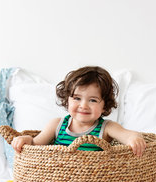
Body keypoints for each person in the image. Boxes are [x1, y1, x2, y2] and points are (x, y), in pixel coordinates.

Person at [11, 66, 147, 157]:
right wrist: (26, 139)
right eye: (77, 98)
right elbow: (35, 145)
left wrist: (134, 139)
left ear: (105, 106)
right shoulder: (57, 125)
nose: (84, 105)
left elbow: (129, 135)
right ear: (67, 100)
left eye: (93, 100)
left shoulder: (107, 128)